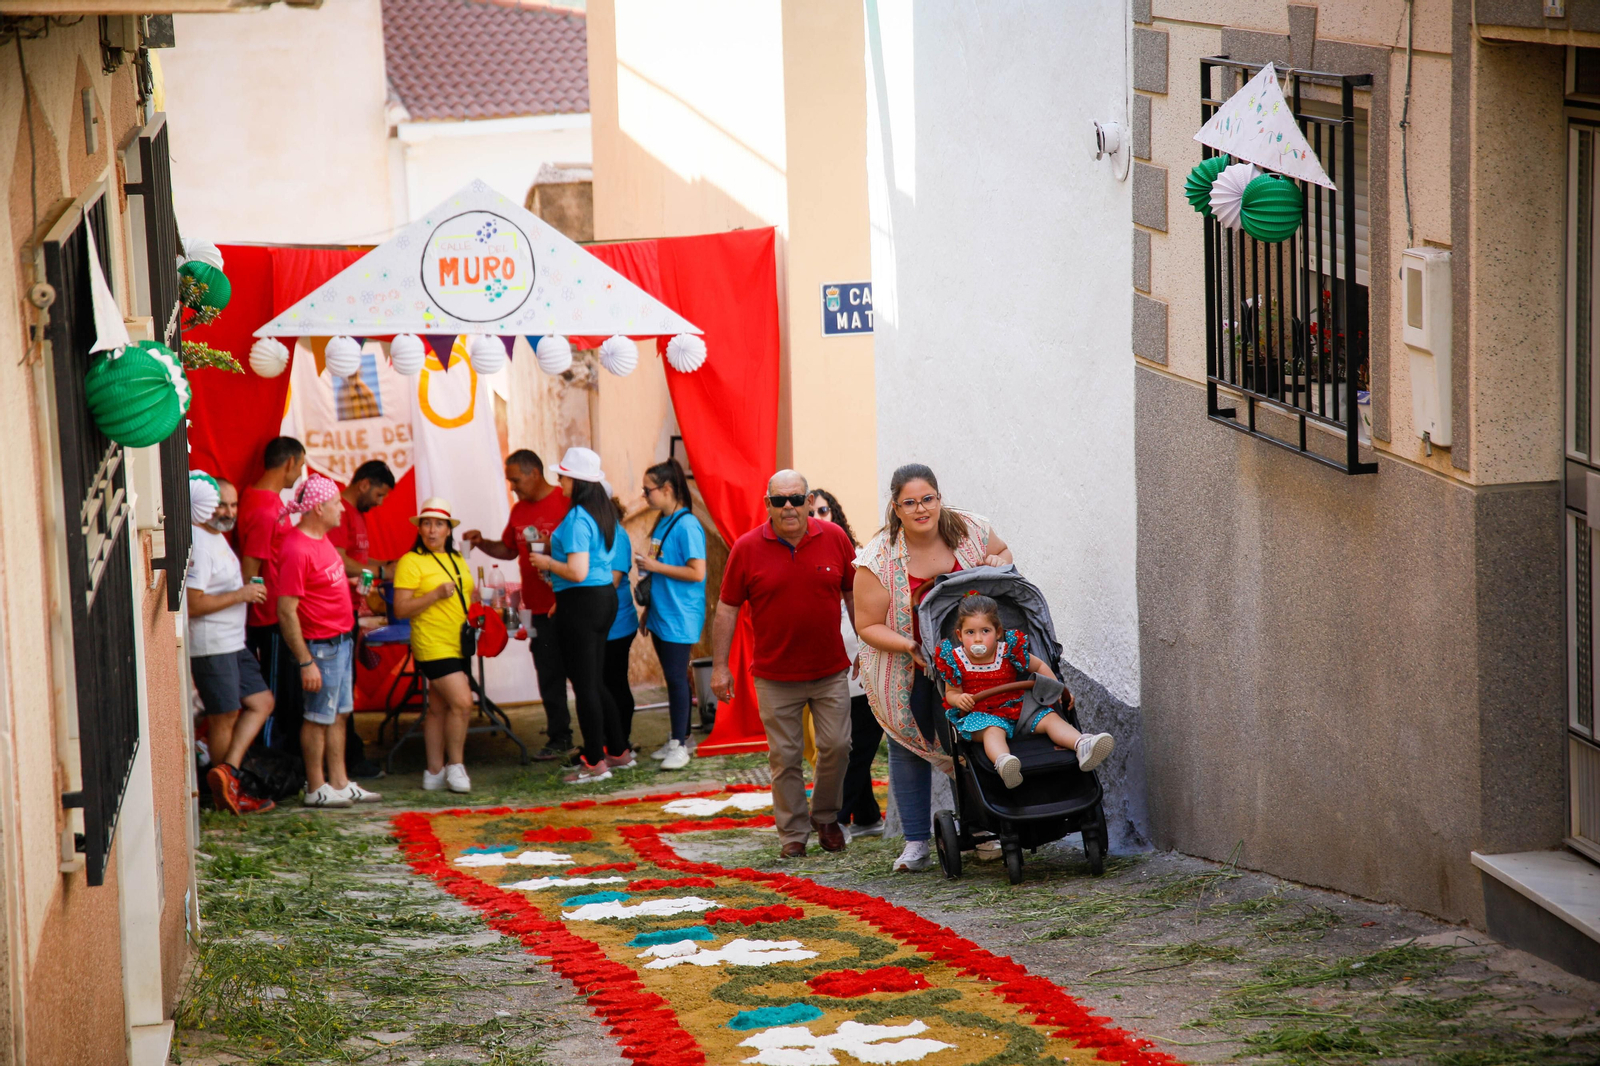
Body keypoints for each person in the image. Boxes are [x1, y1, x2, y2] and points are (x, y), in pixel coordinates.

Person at [854, 463, 1012, 872]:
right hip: (908, 663)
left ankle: (984, 831)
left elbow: (1005, 555)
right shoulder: (877, 558)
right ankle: (915, 844)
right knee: (910, 744)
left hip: (973, 661)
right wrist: (909, 645)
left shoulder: (971, 529)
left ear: (939, 498)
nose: (921, 509)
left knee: (973, 738)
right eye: (910, 503)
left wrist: (995, 558)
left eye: (928, 499)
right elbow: (867, 624)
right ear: (896, 508)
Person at [712, 470, 856, 858]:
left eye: (796, 499)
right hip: (775, 675)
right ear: (768, 505)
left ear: (809, 502)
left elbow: (853, 593)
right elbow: (727, 608)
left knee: (838, 746)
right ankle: (793, 833)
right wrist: (720, 667)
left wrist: (867, 649)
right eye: (779, 500)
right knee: (785, 757)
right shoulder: (746, 547)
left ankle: (825, 816)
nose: (788, 507)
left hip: (829, 670)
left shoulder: (836, 538)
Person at [272, 474, 381, 808]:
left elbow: (321, 583)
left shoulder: (321, 540)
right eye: (336, 503)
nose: (342, 510)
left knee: (339, 714)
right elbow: (286, 611)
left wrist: (348, 584)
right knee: (318, 717)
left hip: (341, 641)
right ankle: (316, 786)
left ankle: (339, 782)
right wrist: (306, 661)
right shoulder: (297, 547)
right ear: (318, 508)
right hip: (322, 646)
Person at [934, 593, 1114, 788]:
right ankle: (1004, 762)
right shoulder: (955, 660)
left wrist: (1057, 690)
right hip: (981, 716)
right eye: (970, 632)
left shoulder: (1008, 651)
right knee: (993, 731)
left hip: (1017, 709)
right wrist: (959, 699)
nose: (978, 639)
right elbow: (951, 693)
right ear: (960, 635)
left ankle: (1082, 744)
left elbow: (1039, 666)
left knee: (1050, 718)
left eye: (985, 631)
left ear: (998, 632)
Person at [526, 447, 629, 784]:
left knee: (585, 686)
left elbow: (578, 571)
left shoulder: (578, 518)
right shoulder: (601, 513)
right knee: (595, 681)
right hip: (601, 599)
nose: (560, 482)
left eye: (564, 476)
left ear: (578, 481)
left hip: (583, 603)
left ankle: (594, 761)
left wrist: (547, 562)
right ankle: (617, 750)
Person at [461, 450, 572, 760]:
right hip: (536, 608)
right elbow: (509, 550)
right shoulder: (519, 510)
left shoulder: (566, 502)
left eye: (515, 480)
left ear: (534, 473)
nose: (512, 487)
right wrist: (482, 543)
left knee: (582, 671)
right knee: (548, 673)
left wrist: (552, 547)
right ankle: (560, 736)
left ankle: (602, 739)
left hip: (568, 603)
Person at [187, 475, 276, 815]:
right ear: (203, 505)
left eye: (234, 504)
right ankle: (225, 797)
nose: (228, 511)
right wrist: (242, 594)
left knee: (262, 702)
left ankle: (229, 773)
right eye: (221, 504)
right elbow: (193, 604)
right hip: (211, 644)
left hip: (233, 641)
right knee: (224, 716)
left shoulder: (215, 536)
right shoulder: (199, 542)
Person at [810, 488, 882, 837]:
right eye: (811, 512)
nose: (817, 517)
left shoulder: (858, 556)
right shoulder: (803, 559)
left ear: (835, 513)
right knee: (849, 741)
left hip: (863, 656)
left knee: (860, 741)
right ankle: (867, 817)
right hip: (830, 663)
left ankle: (838, 815)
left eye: (823, 510)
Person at [392, 498, 477, 793]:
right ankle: (456, 766)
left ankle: (434, 771)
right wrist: (434, 595)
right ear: (419, 528)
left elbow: (466, 593)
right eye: (426, 524)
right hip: (431, 642)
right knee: (463, 703)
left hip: (458, 642)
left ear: (448, 530)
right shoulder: (410, 561)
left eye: (438, 524)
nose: (431, 530)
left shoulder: (456, 557)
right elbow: (400, 608)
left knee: (439, 708)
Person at [326, 458, 395, 778]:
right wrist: (382, 572)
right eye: (379, 495)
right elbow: (339, 560)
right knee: (341, 688)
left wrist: (387, 566)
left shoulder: (357, 514)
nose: (379, 503)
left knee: (346, 684)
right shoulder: (340, 512)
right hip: (337, 610)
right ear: (364, 484)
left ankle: (349, 756)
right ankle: (348, 759)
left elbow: (359, 561)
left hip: (351, 608)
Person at [637, 459, 707, 772]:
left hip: (680, 614)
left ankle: (680, 744)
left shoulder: (687, 525)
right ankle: (681, 737)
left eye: (648, 490)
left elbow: (697, 572)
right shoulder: (664, 521)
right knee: (672, 678)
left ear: (667, 489)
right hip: (662, 612)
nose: (644, 496)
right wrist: (648, 610)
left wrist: (655, 566)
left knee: (677, 679)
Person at [239, 435, 305, 751]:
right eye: (301, 466)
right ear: (290, 462)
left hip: (276, 612)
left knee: (285, 688)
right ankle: (270, 756)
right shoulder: (265, 508)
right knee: (276, 690)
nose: (300, 474)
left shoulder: (264, 499)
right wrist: (261, 609)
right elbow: (251, 568)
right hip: (270, 618)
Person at [603, 492, 640, 751]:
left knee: (615, 682)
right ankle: (613, 740)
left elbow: (613, 580)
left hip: (617, 623)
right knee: (608, 682)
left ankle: (621, 742)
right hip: (606, 622)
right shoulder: (603, 534)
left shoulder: (616, 534)